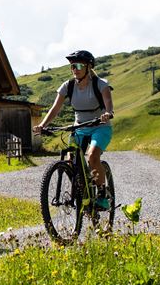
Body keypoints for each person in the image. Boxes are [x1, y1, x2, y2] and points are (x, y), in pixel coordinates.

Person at [33, 50, 114, 209]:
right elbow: (55, 109)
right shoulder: (68, 86)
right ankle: (81, 190)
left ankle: (102, 193)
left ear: (89, 67)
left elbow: (109, 104)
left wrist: (107, 113)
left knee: (92, 156)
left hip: (100, 126)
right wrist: (43, 125)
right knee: (70, 161)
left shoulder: (100, 84)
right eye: (72, 66)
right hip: (79, 127)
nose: (74, 69)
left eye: (78, 65)